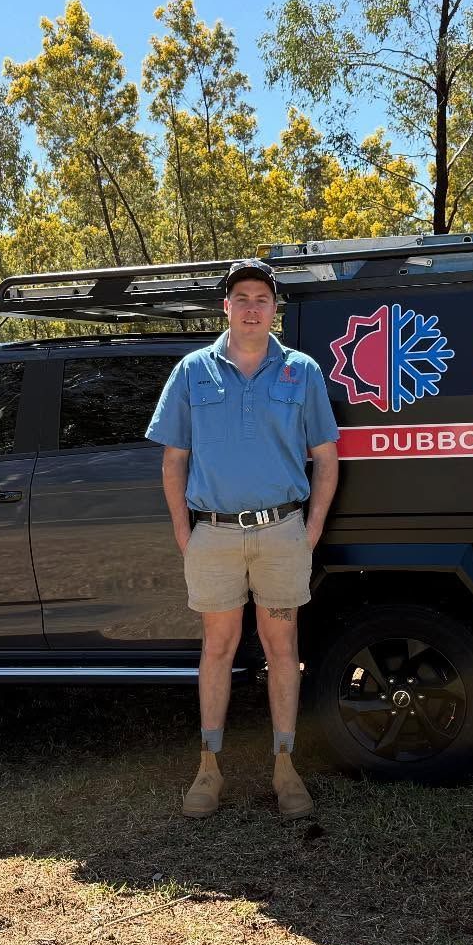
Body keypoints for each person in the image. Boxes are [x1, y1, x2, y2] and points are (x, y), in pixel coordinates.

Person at [145, 259, 340, 819]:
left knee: (283, 648)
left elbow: (326, 459)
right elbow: (173, 458)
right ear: (225, 306)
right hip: (215, 536)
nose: (252, 306)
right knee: (218, 649)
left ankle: (285, 766)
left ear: (274, 308)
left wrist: (313, 527)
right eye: (242, 298)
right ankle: (209, 767)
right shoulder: (192, 371)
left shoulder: (301, 372)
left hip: (283, 534)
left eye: (262, 298)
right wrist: (185, 530)